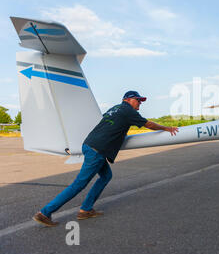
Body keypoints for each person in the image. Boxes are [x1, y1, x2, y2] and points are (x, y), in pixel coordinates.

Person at [33, 91, 179, 227]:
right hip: (97, 150)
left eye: (141, 101)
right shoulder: (128, 110)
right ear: (127, 100)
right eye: (138, 100)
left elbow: (111, 125)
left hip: (90, 145)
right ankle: (45, 212)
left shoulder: (115, 108)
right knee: (79, 184)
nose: (140, 103)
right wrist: (167, 128)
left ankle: (86, 210)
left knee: (106, 176)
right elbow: (149, 124)